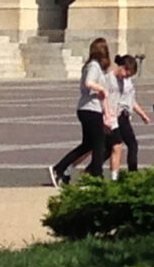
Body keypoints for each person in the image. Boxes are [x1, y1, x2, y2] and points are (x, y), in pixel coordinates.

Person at [50, 37, 116, 185]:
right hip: (90, 110)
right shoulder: (93, 66)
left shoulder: (93, 66)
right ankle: (96, 177)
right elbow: (89, 83)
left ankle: (60, 168)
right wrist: (102, 89)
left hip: (89, 109)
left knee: (88, 145)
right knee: (99, 145)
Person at [107, 53, 147, 179]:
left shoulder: (125, 82)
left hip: (122, 115)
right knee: (123, 145)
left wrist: (142, 114)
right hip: (116, 116)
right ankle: (131, 173)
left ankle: (93, 170)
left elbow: (131, 101)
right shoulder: (111, 79)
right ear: (123, 67)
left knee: (113, 147)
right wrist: (109, 114)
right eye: (127, 74)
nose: (127, 77)